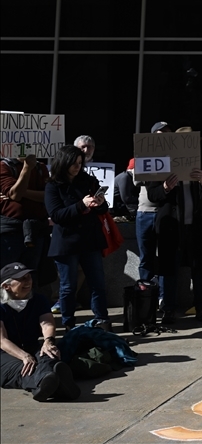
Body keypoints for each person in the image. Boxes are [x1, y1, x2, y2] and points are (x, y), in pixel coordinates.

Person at [143, 132, 202, 324]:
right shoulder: (161, 164)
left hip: (196, 226)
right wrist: (165, 187)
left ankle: (201, 308)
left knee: (199, 268)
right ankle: (169, 310)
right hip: (171, 226)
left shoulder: (199, 163)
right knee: (168, 269)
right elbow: (152, 194)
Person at [43, 145, 109, 330]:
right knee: (68, 287)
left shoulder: (88, 181)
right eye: (74, 163)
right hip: (66, 242)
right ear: (64, 162)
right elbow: (56, 215)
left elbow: (103, 210)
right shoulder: (53, 185)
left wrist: (100, 203)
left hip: (89, 239)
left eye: (80, 163)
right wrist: (81, 204)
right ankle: (69, 323)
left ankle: (102, 320)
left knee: (98, 282)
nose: (77, 167)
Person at [0, 263, 79, 401]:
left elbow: (47, 323)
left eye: (28, 277)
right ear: (6, 286)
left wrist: (49, 341)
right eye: (21, 279)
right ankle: (54, 384)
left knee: (49, 355)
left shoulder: (39, 299)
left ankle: (48, 383)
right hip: (5, 353)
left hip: (31, 346)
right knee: (22, 368)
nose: (28, 281)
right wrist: (24, 356)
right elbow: (2, 340)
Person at [135, 121, 171, 291]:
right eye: (160, 133)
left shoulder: (176, 157)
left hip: (166, 212)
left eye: (167, 133)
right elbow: (136, 180)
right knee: (146, 258)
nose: (164, 136)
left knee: (165, 258)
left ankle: (163, 298)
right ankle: (145, 296)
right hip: (145, 211)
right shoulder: (143, 156)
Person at [1, 154, 51, 271]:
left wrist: (23, 192)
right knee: (7, 275)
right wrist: (27, 168)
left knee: (30, 275)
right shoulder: (4, 166)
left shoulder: (40, 167)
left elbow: (48, 196)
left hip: (35, 231)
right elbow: (16, 195)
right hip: (11, 232)